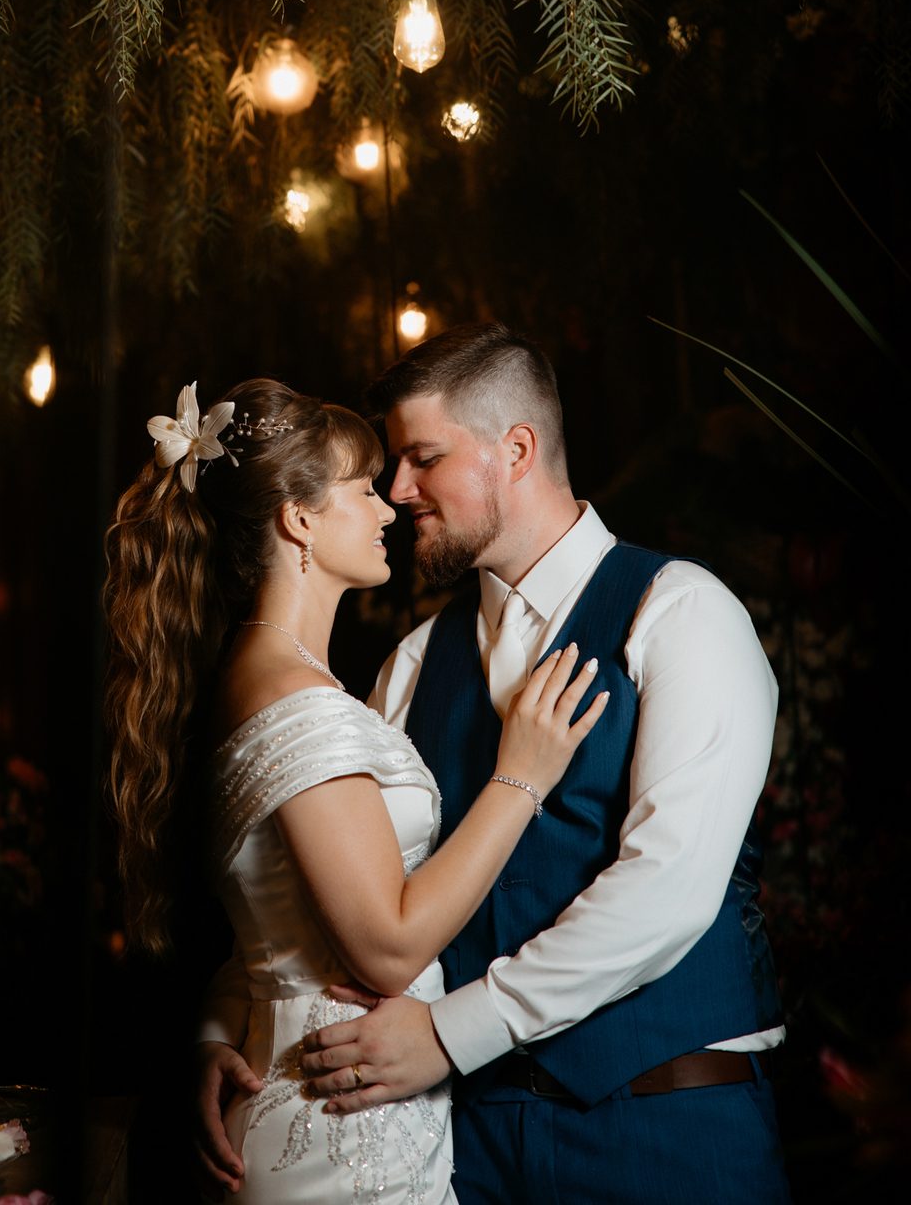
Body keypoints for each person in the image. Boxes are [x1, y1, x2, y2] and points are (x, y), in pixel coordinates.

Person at [197, 325, 791, 1205]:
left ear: (515, 451)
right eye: (392, 466)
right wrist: (230, 1021)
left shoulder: (683, 614)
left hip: (665, 1125)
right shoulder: (410, 665)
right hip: (464, 1149)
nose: (398, 491)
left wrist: (450, 1033)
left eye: (424, 459)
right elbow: (328, 876)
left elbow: (668, 888)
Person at [103, 376, 608, 1204]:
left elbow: (271, 925)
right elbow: (388, 949)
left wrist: (214, 1027)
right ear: (298, 520)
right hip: (338, 1130)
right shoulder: (296, 698)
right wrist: (521, 775)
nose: (388, 509)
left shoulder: (260, 678)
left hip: (326, 1101)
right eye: (364, 489)